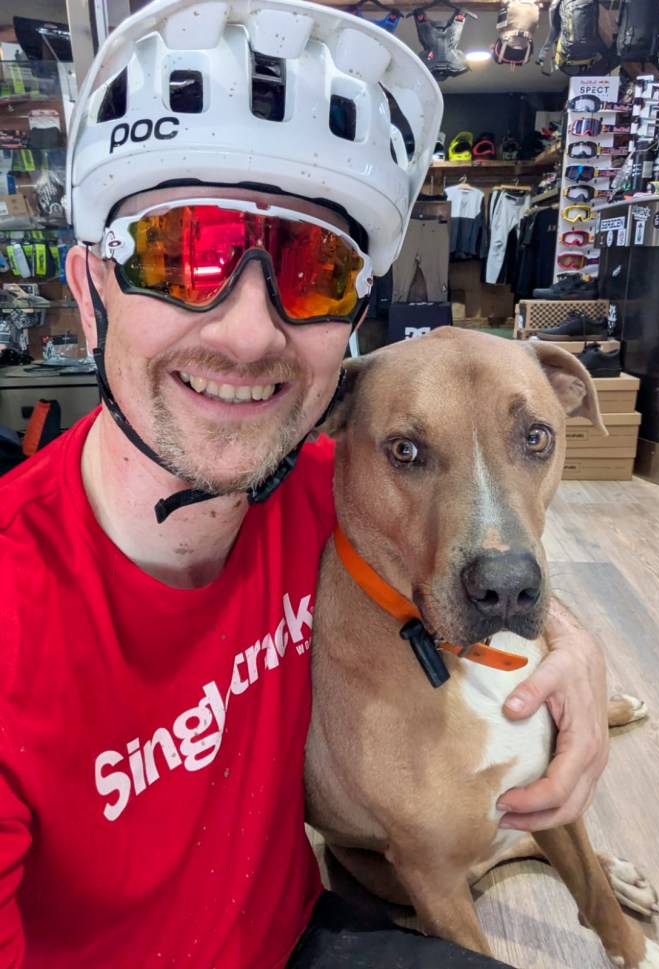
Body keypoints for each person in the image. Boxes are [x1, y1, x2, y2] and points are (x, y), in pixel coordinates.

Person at [0, 0, 608, 965]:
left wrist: (572, 645)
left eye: (314, 270)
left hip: (313, 929)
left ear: (349, 330)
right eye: (180, 254)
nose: (247, 333)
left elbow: (473, 530)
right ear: (87, 291)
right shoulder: (14, 617)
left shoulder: (334, 484)